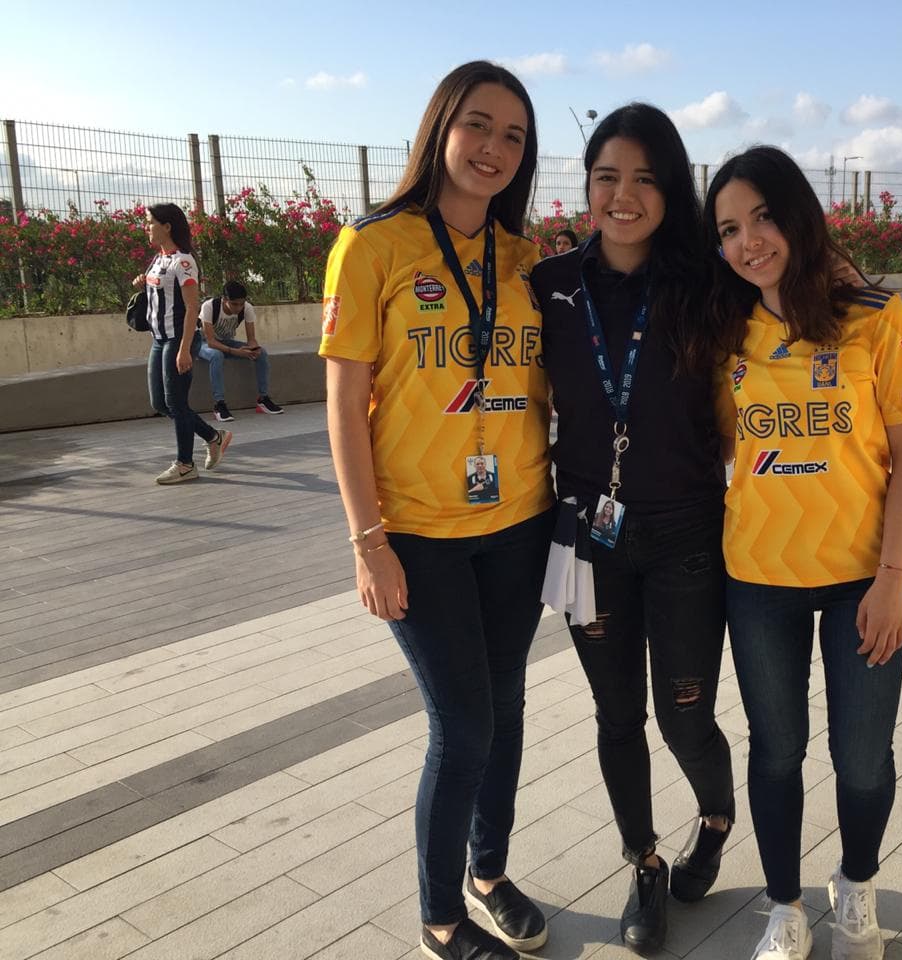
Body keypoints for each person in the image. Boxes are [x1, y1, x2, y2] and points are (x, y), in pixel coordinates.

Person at [320, 61, 552, 960]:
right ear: (440, 127)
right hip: (416, 532)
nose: (495, 149)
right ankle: (440, 918)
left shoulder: (525, 259)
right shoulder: (372, 244)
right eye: (480, 126)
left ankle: (488, 873)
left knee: (507, 708)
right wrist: (366, 538)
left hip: (520, 523)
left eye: (515, 137)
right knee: (463, 726)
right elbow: (343, 403)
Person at [704, 146, 902, 960]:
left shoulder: (876, 314)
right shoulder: (724, 327)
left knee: (864, 759)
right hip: (758, 581)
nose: (749, 240)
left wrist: (892, 580)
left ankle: (857, 889)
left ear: (797, 214)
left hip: (861, 584)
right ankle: (784, 908)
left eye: (762, 216)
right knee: (776, 750)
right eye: (729, 228)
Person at [530, 103, 734, 955]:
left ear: (670, 190)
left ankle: (716, 820)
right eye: (607, 176)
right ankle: (643, 862)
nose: (624, 195)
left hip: (689, 535)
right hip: (590, 541)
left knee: (684, 716)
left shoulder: (704, 285)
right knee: (618, 714)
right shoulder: (548, 287)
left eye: (645, 178)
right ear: (586, 186)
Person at [133, 203, 231, 484]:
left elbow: (192, 308)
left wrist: (186, 348)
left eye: (150, 222)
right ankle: (214, 436)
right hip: (158, 339)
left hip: (177, 339)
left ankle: (185, 463)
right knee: (161, 403)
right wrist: (144, 282)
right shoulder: (159, 259)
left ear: (167, 226)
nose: (146, 227)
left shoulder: (183, 261)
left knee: (176, 403)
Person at [195, 280, 285, 421]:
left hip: (226, 342)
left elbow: (251, 339)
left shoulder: (247, 308)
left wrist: (253, 348)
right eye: (234, 304)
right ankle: (219, 404)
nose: (238, 308)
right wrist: (234, 351)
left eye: (241, 304)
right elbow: (211, 342)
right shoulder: (209, 307)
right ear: (225, 300)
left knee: (262, 353)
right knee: (216, 355)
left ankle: (263, 398)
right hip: (202, 343)